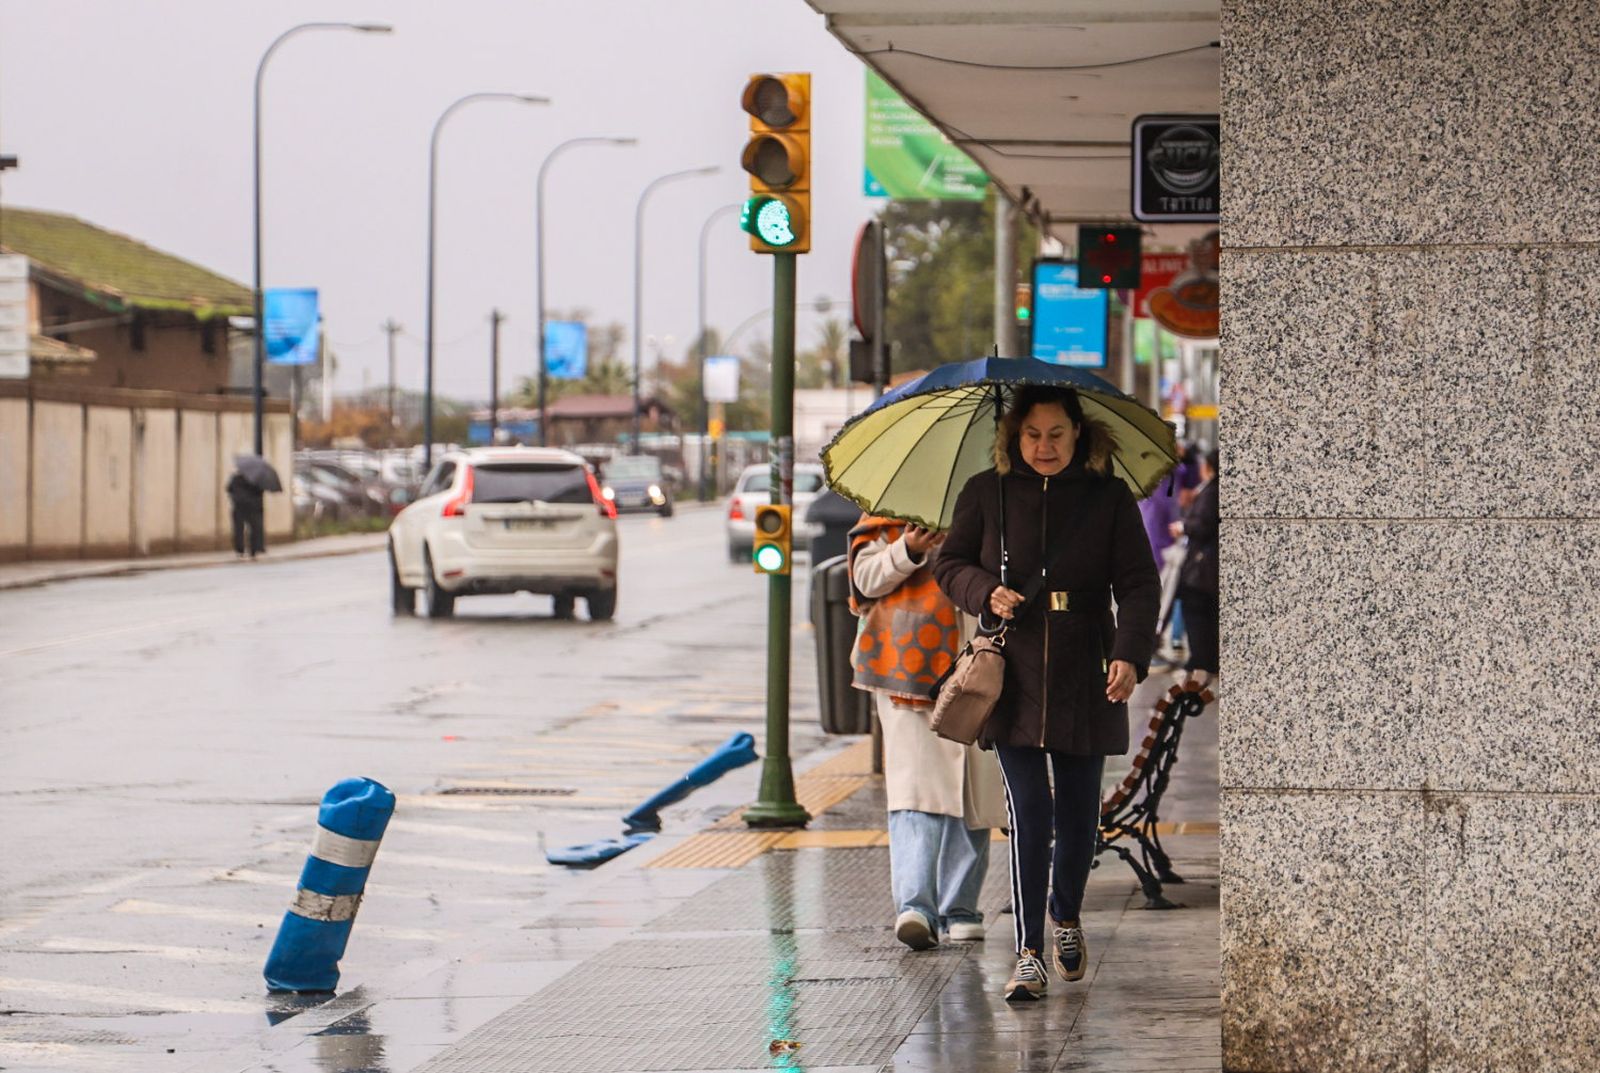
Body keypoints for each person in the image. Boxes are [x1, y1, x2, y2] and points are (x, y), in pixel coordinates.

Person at [934, 385, 1160, 1002]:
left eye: (1056, 433)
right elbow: (948, 565)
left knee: (1080, 812)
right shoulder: (986, 492)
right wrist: (985, 591)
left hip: (1089, 661)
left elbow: (1139, 582)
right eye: (1032, 434)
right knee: (1030, 809)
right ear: (1015, 438)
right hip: (1013, 666)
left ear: (1077, 434)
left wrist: (1130, 655)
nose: (1044, 446)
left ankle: (1067, 915)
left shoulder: (1108, 497)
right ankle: (1029, 950)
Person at [848, 514, 1007, 950]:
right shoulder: (884, 513)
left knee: (969, 785)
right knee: (915, 787)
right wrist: (908, 550)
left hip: (976, 661)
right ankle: (916, 906)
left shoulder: (987, 504)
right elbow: (865, 580)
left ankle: (961, 907)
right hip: (904, 667)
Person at [1174, 448, 1219, 677]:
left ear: (1209, 467)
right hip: (1207, 568)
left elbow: (1203, 525)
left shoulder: (1211, 492)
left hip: (1202, 570)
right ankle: (1204, 660)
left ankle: (1202, 661)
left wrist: (1183, 526)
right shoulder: (1211, 490)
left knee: (1198, 614)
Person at [226, 467, 265, 559]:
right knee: (254, 528)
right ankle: (253, 551)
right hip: (252, 507)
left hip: (239, 506)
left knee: (238, 529)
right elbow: (260, 491)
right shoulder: (255, 479)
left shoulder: (235, 478)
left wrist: (235, 497)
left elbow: (228, 489)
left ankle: (240, 550)